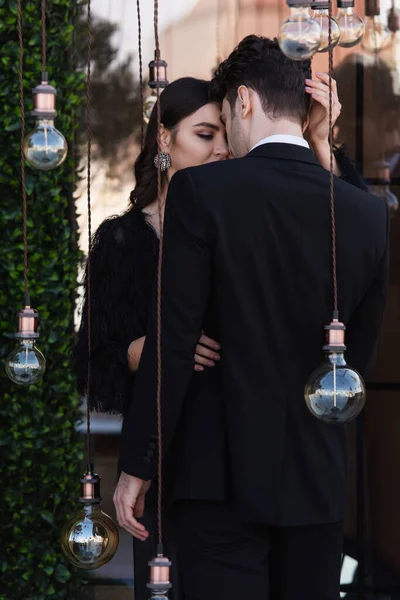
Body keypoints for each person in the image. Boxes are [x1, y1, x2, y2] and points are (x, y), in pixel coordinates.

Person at [113, 37, 390, 600]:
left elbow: (173, 339)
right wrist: (324, 143)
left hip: (218, 480)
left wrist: (137, 467)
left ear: (242, 101)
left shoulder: (201, 191)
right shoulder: (363, 212)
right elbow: (355, 364)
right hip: (314, 482)